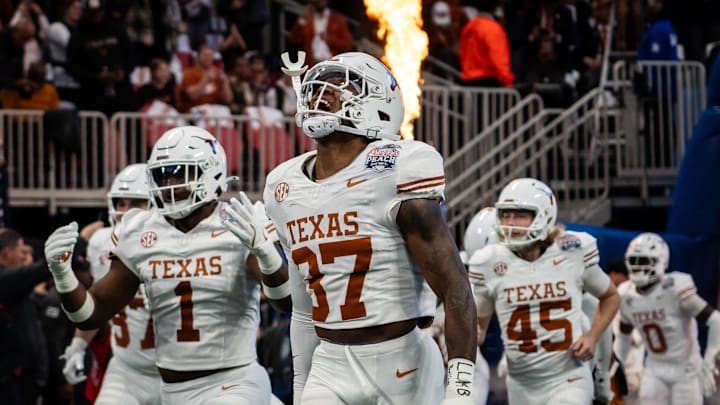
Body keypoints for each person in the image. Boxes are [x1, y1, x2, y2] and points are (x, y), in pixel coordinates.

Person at [265, 51, 478, 404]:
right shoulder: (284, 186)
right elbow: (304, 308)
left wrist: (461, 389)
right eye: (319, 86)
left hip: (402, 359)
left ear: (380, 102)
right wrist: (302, 383)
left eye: (339, 84)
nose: (323, 93)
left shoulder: (398, 166)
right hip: (330, 363)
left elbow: (454, 285)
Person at [43, 126, 290, 404]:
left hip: (232, 382)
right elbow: (92, 313)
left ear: (211, 172)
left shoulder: (240, 221)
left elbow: (285, 302)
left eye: (179, 173)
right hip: (171, 390)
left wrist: (267, 253)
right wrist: (63, 275)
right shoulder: (139, 230)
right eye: (162, 175)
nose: (169, 184)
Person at [469, 177, 620, 405]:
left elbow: (610, 296)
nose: (510, 223)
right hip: (521, 383)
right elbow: (478, 327)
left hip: (568, 376)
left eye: (520, 215)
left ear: (544, 215)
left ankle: (601, 380)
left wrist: (592, 337)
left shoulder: (572, 251)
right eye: (505, 215)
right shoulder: (489, 262)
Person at [60, 163, 162, 405]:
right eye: (120, 203)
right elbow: (99, 305)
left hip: (177, 372)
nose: (126, 212)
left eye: (136, 203)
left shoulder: (177, 244)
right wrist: (78, 344)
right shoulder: (102, 244)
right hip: (126, 369)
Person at [616, 233, 720, 404]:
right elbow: (623, 335)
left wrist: (709, 361)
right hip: (654, 369)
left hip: (685, 370)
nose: (637, 266)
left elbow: (716, 320)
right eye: (634, 260)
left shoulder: (674, 288)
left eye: (643, 261)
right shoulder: (627, 294)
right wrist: (616, 366)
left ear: (661, 262)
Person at [0, 228, 47, 405]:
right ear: (6, 253)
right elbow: (38, 271)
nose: (24, 257)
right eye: (21, 251)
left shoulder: (14, 284)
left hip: (25, 377)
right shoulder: (5, 280)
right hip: (11, 381)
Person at [286, 0, 353, 66]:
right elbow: (293, 39)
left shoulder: (337, 20)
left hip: (333, 64)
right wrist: (302, 19)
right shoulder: (308, 19)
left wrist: (329, 39)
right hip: (312, 65)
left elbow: (348, 45)